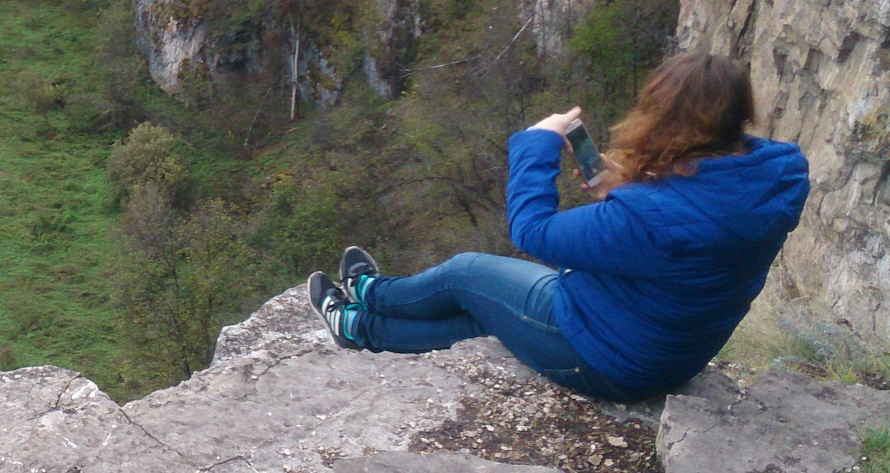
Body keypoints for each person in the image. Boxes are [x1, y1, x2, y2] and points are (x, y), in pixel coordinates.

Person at [308, 53, 810, 402]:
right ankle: (356, 328)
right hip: (669, 348)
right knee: (481, 318)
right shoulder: (773, 179)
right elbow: (696, 223)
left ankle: (369, 296)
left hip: (604, 355)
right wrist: (626, 188)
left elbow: (531, 230)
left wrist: (537, 144)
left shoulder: (647, 221)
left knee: (465, 275)